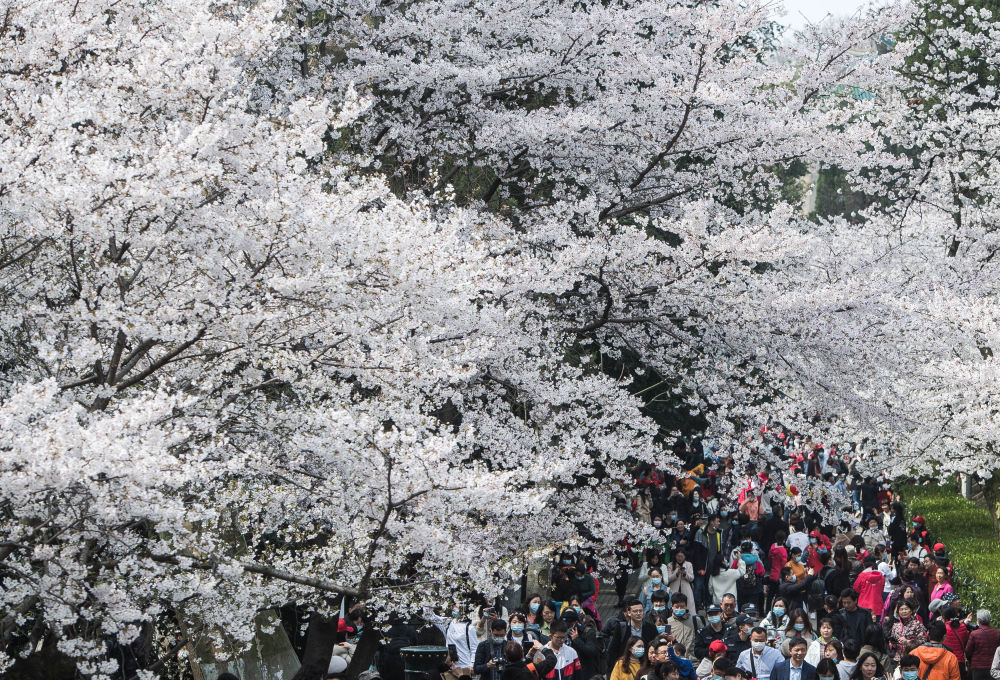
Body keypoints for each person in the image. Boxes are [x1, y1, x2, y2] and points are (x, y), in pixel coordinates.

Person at [563, 610, 598, 680]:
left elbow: (591, 652)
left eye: (569, 625)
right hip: (568, 672)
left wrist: (576, 639)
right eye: (565, 625)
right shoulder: (563, 634)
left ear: (576, 622)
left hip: (584, 673)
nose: (568, 628)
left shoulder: (588, 632)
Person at [965, 611, 1000, 680]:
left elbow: (967, 651)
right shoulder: (997, 633)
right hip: (993, 668)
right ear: (989, 620)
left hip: (977, 668)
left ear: (978, 620)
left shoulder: (974, 634)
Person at [668, 593, 697, 661]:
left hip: (693, 661)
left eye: (682, 606)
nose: (679, 609)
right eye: (677, 607)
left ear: (686, 606)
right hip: (676, 661)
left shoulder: (695, 620)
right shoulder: (668, 622)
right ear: (672, 607)